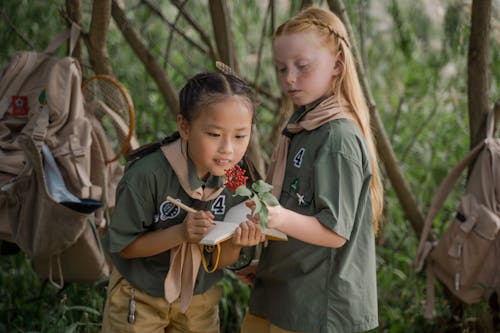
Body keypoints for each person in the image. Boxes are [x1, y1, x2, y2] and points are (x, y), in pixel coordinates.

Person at [239, 7, 384, 333]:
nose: (289, 78)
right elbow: (299, 211)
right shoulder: (304, 125)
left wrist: (275, 217)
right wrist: (266, 264)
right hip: (281, 292)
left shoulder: (338, 137)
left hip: (316, 310)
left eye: (302, 66)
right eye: (281, 68)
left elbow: (334, 232)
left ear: (336, 65)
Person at [101, 71, 265, 333]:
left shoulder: (236, 178)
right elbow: (125, 247)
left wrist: (235, 243)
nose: (228, 149)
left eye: (239, 136)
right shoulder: (147, 175)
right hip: (141, 293)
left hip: (199, 299)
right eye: (214, 134)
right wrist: (180, 233)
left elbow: (219, 260)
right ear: (184, 126)